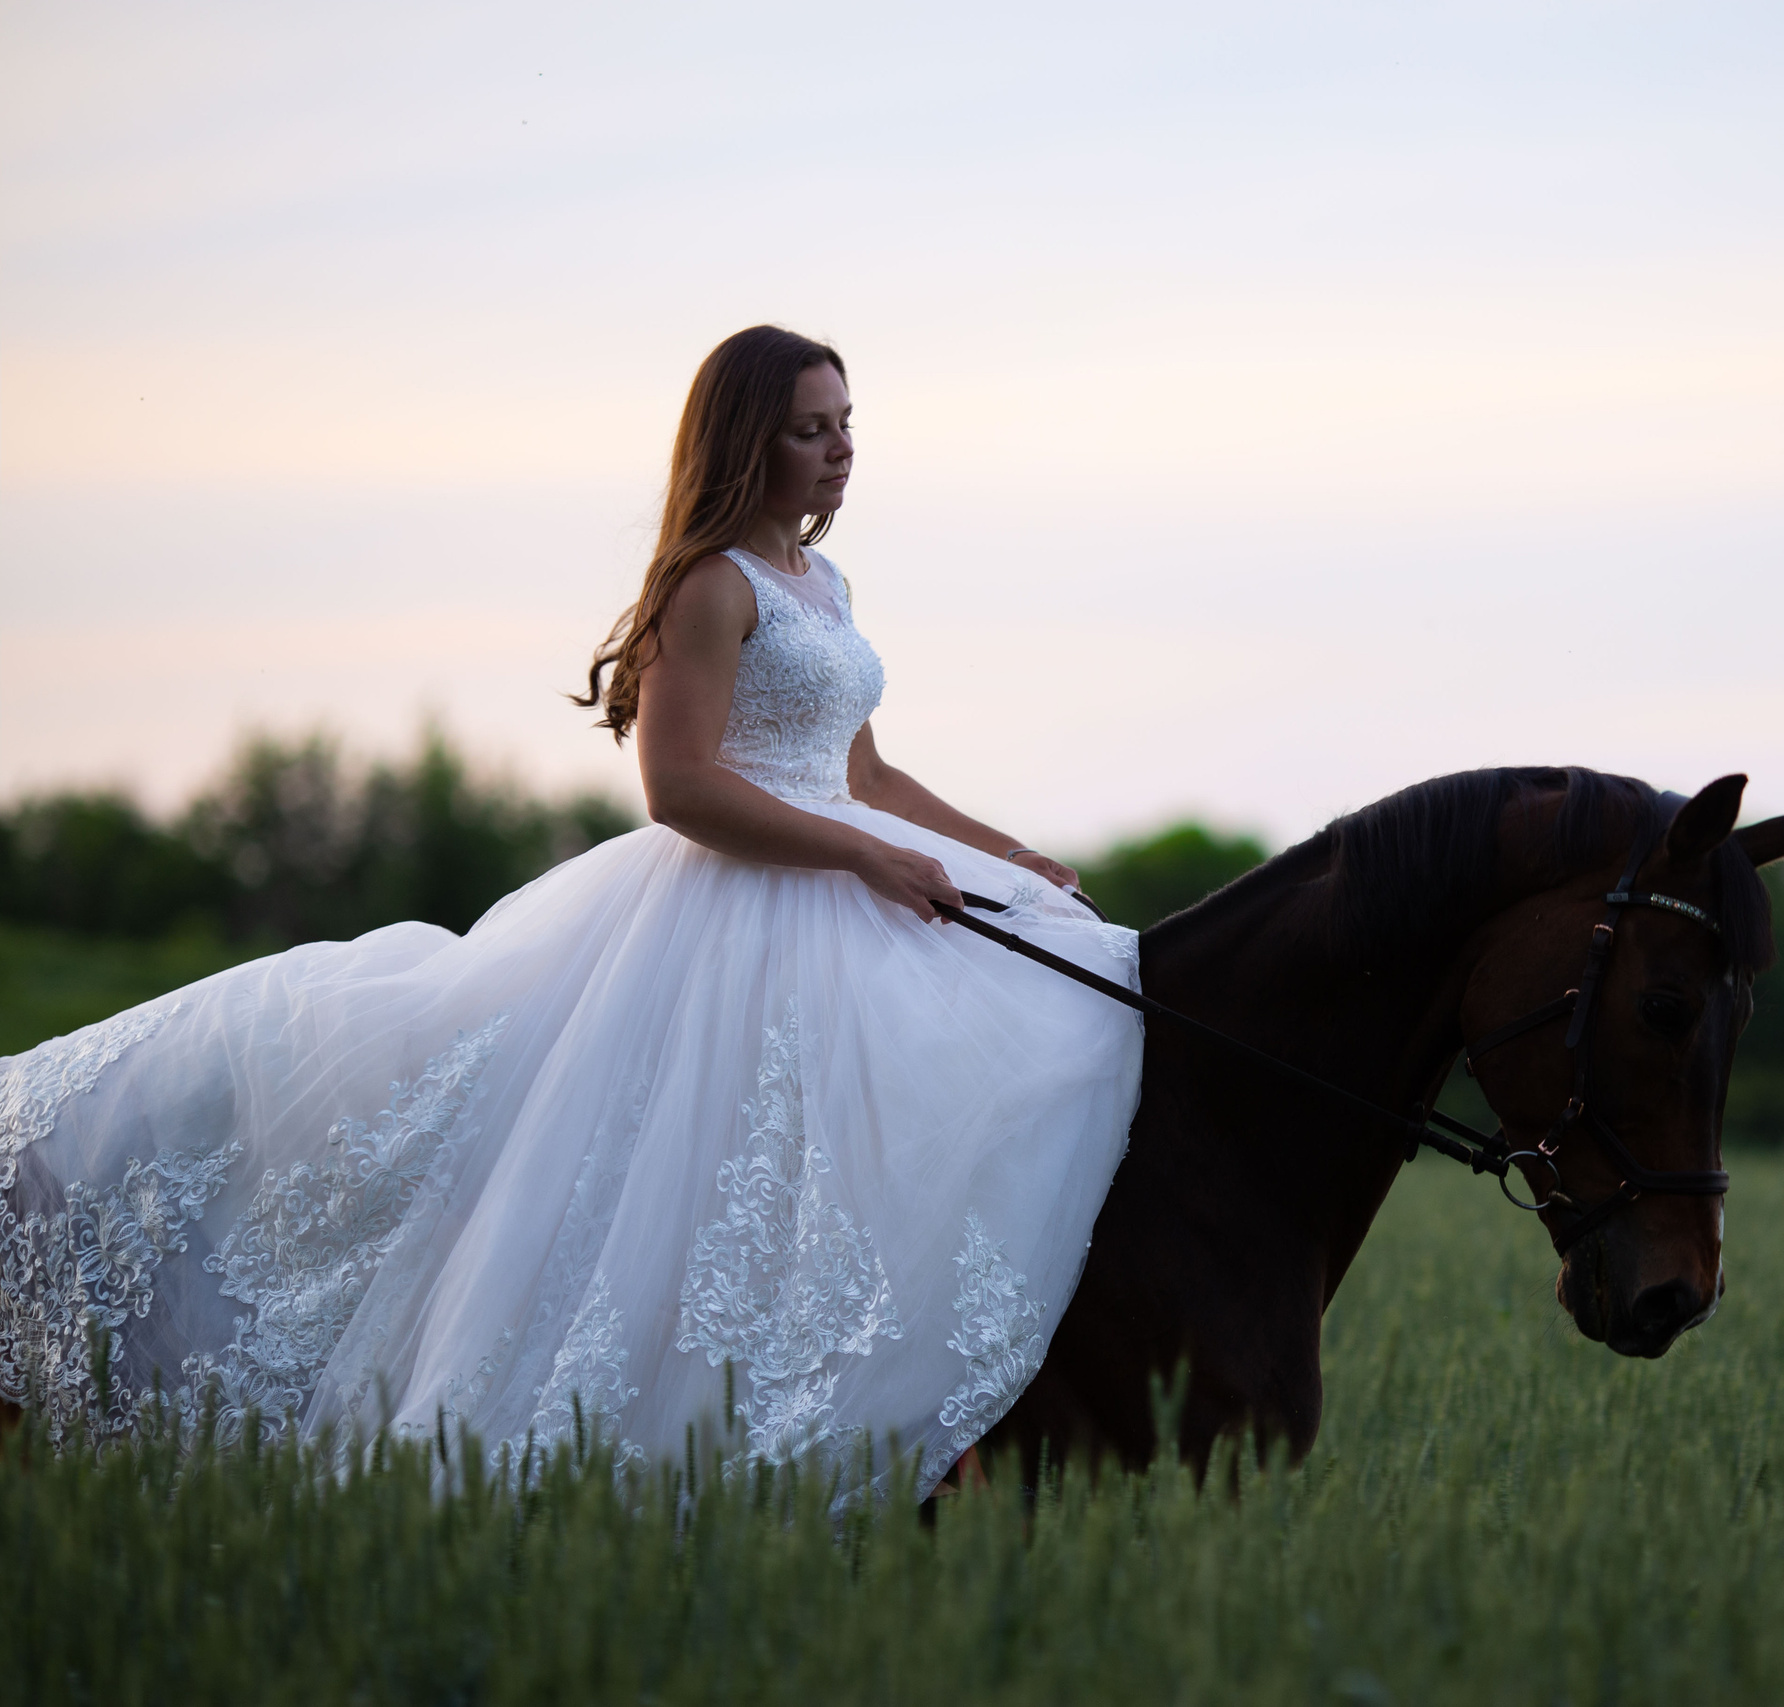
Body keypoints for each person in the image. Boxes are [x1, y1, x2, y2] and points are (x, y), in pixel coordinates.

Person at [0, 326, 1144, 1496]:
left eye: (848, 423)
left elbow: (866, 776)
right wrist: (861, 861)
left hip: (837, 889)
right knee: (665, 1186)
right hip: (727, 922)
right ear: (748, 442)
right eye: (812, 428)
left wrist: (1008, 854)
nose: (841, 449)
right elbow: (681, 787)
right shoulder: (710, 587)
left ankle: (893, 1422)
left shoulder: (825, 584)